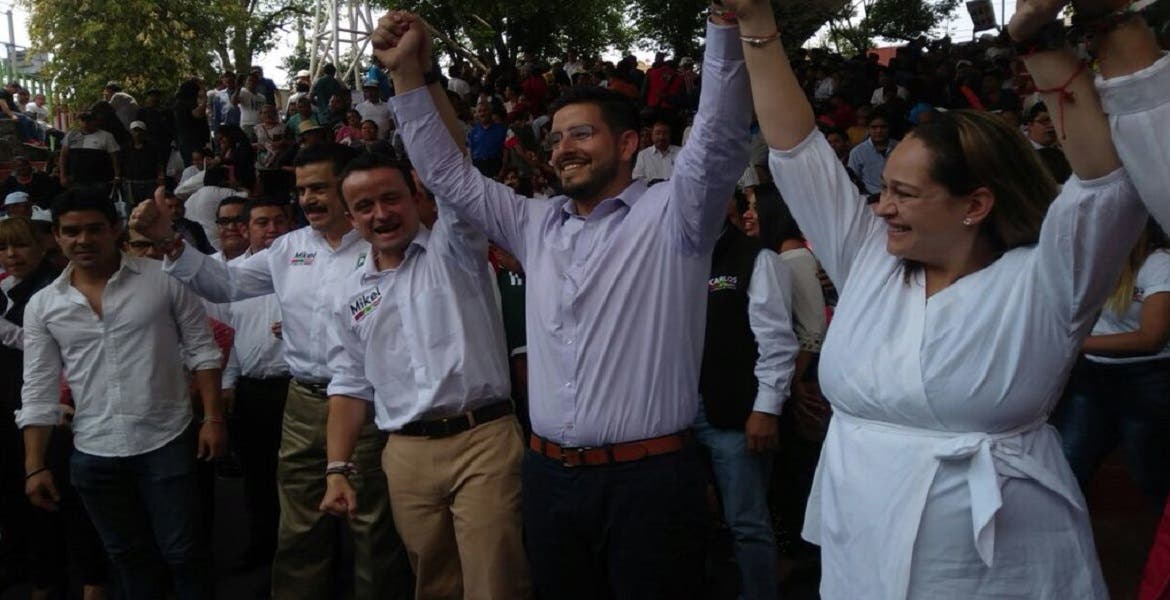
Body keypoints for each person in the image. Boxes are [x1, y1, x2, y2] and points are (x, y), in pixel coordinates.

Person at [727, 0, 1148, 597]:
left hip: (998, 568)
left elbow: (1106, 184)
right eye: (883, 189)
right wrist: (755, 22)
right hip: (861, 551)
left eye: (903, 193)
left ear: (975, 205)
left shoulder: (1047, 280)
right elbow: (795, 147)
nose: (881, 207)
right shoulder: (868, 258)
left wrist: (1038, 41)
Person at [371, 8, 751, 597]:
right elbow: (445, 174)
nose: (563, 149)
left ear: (628, 144)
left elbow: (720, 133)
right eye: (554, 139)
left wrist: (725, 21)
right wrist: (404, 75)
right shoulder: (533, 223)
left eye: (581, 134)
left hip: (649, 484)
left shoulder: (676, 215)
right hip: (549, 478)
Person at [131, 143, 411, 600]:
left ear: (348, 188)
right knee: (299, 524)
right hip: (302, 401)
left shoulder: (386, 244)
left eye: (319, 188)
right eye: (302, 190)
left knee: (373, 525)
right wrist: (168, 239)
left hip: (371, 404)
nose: (309, 199)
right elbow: (225, 284)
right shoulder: (289, 248)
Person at [319, 153, 530, 599]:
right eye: (364, 206)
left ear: (417, 196)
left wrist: (421, 103)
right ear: (350, 218)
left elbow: (454, 168)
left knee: (494, 583)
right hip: (406, 454)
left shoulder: (457, 249)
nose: (381, 214)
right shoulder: (346, 294)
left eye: (391, 198)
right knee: (433, 583)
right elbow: (349, 385)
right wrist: (336, 469)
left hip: (483, 441)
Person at [19, 189, 226, 600]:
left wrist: (213, 419)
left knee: (184, 552)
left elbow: (203, 350)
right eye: (71, 231)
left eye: (94, 229)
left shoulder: (164, 278)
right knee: (126, 557)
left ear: (115, 230)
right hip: (94, 449)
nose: (83, 240)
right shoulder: (43, 305)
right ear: (56, 237)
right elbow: (38, 386)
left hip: (166, 438)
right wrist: (34, 465)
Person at [0, 217, 109, 600]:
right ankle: (32, 570)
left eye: (21, 245)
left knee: (61, 500)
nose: (12, 255)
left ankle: (81, 578)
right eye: (3, 248)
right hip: (11, 407)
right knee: (16, 496)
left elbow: (61, 351)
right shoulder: (8, 290)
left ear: (42, 245)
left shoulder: (54, 291)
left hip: (53, 410)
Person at [695, 199, 798, 600]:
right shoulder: (675, 257)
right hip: (679, 414)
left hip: (735, 412)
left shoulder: (758, 259)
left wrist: (765, 409)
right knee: (692, 520)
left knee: (746, 523)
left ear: (725, 204)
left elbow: (777, 342)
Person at [1052, 219, 1170, 506]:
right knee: (1068, 467)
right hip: (1094, 374)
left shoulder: (1159, 263)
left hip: (1149, 378)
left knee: (1149, 474)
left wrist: (1075, 344)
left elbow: (1151, 338)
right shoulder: (1097, 262)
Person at [221, 197, 292, 571]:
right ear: (245, 229)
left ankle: (309, 555)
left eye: (279, 220)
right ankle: (262, 546)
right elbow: (226, 335)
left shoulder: (307, 269)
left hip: (299, 388)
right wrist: (228, 382)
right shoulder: (229, 276)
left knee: (302, 478)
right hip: (252, 390)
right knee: (257, 474)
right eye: (262, 222)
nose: (272, 229)